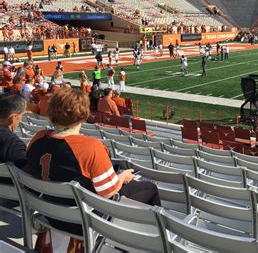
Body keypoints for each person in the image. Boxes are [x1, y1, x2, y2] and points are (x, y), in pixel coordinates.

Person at [27, 88, 161, 249]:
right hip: (82, 218)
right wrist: (123, 177)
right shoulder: (90, 147)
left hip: (49, 212)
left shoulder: (38, 137)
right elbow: (108, 191)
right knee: (149, 188)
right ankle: (154, 242)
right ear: (84, 114)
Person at [0, 94, 27, 168]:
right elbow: (26, 173)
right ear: (14, 118)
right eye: (21, 115)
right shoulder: (13, 144)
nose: (21, 120)